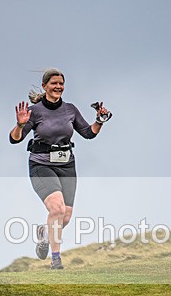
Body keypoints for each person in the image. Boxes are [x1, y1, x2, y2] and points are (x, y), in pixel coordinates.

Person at [9, 68, 111, 269]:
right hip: (41, 164)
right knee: (56, 208)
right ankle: (56, 261)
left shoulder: (70, 109)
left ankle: (44, 235)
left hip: (66, 165)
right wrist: (20, 125)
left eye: (61, 84)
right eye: (54, 83)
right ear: (45, 86)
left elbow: (88, 133)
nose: (58, 87)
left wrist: (100, 121)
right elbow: (14, 139)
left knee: (64, 217)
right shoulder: (35, 111)